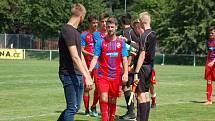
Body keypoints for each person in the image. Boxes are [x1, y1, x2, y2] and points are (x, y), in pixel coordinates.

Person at [57, 3, 93, 121]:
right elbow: (75, 57)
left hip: (77, 73)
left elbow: (80, 55)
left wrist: (87, 74)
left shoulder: (76, 32)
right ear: (81, 16)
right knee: (72, 107)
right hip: (68, 73)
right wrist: (86, 77)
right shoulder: (67, 30)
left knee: (75, 107)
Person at [89, 17, 128, 121]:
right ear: (106, 28)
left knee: (112, 99)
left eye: (112, 27)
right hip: (103, 75)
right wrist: (89, 71)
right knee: (104, 97)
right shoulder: (100, 42)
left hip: (115, 76)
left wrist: (126, 74)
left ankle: (111, 118)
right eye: (108, 27)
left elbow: (124, 60)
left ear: (116, 27)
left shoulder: (121, 43)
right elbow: (95, 58)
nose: (110, 29)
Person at [134, 11, 156, 121]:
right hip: (150, 67)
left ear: (142, 22)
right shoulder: (153, 33)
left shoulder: (144, 35)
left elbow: (142, 54)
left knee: (140, 95)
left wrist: (136, 72)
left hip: (143, 68)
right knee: (146, 94)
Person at [118, 13, 139, 120]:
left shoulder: (127, 32)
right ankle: (133, 111)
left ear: (121, 23)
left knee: (126, 86)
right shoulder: (134, 30)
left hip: (130, 65)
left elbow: (133, 48)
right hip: (137, 64)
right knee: (132, 88)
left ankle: (131, 112)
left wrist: (129, 64)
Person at [89, 12, 110, 116]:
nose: (104, 24)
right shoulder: (96, 34)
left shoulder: (112, 34)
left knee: (108, 89)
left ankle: (100, 108)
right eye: (102, 21)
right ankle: (95, 107)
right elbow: (103, 47)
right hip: (98, 65)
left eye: (106, 21)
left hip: (109, 66)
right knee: (99, 88)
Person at [81, 14, 100, 116]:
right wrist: (91, 54)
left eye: (97, 23)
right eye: (93, 23)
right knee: (87, 87)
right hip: (87, 65)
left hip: (97, 65)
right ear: (89, 23)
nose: (95, 25)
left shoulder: (99, 35)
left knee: (98, 88)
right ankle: (87, 109)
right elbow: (82, 50)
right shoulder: (84, 35)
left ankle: (93, 106)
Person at [204, 26, 215, 105]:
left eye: (212, 33)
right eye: (210, 33)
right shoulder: (208, 42)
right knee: (209, 81)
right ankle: (209, 100)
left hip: (214, 63)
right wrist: (208, 62)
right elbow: (209, 53)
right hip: (209, 63)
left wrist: (213, 62)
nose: (210, 34)